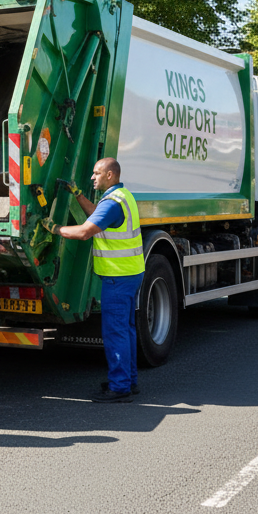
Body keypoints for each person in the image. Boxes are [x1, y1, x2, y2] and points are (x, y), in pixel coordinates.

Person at [48, 158, 145, 403]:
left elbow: (84, 232)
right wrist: (79, 195)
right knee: (126, 330)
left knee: (115, 333)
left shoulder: (112, 203)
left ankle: (120, 387)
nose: (92, 177)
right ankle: (129, 381)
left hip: (118, 277)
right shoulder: (121, 196)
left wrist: (54, 228)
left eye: (97, 173)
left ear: (110, 175)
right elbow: (96, 216)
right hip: (130, 273)